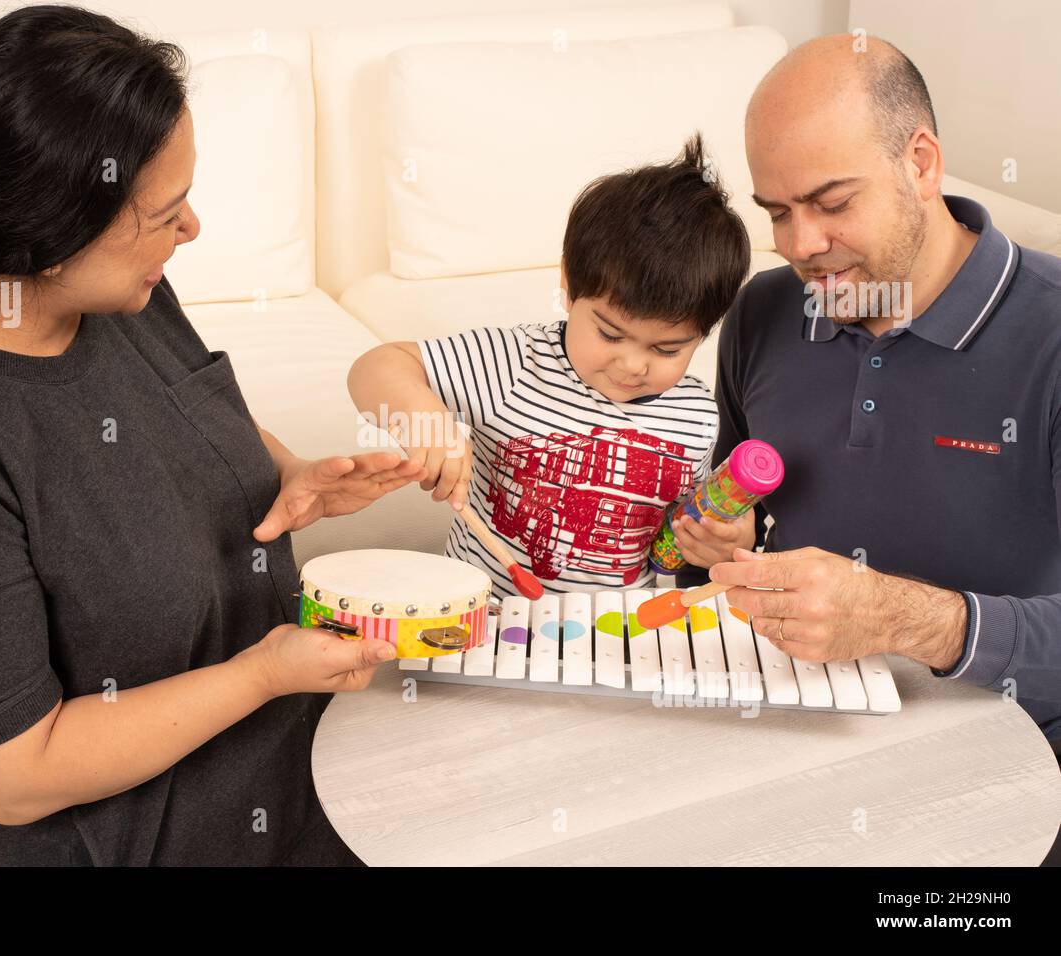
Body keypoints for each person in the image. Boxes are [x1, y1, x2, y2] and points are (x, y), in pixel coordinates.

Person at [0, 4, 425, 866]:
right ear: (54, 233)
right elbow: (13, 775)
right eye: (166, 209)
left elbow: (173, 404)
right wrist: (260, 673)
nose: (192, 228)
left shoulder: (113, 293)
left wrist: (286, 473)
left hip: (314, 770)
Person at [675, 35, 1061, 862]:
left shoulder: (1052, 338)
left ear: (920, 162)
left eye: (830, 202)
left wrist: (906, 618)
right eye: (776, 210)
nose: (798, 243)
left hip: (1008, 767)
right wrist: (709, 544)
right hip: (789, 739)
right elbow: (712, 533)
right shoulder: (765, 312)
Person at [348, 134, 751, 594]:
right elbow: (377, 366)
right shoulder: (514, 362)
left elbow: (677, 537)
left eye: (667, 350)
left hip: (613, 633)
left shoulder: (697, 415)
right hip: (485, 616)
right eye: (609, 333)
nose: (632, 364)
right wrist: (423, 421)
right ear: (567, 283)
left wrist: (721, 540)